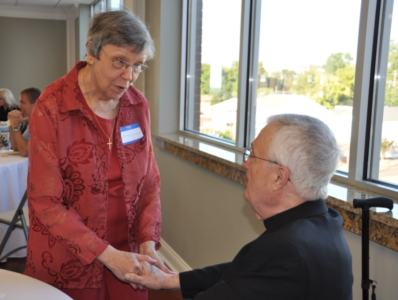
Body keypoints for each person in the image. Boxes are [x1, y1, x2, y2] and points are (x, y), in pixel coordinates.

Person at [125, 114, 354, 300]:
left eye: (253, 155)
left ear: (279, 177)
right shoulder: (324, 221)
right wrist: (171, 280)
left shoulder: (285, 249)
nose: (245, 163)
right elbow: (246, 270)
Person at [24, 9, 170, 300]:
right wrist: (107, 255)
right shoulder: (52, 106)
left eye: (138, 65)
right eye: (120, 61)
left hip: (127, 256)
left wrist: (146, 241)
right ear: (91, 51)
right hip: (68, 258)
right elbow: (46, 202)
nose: (130, 77)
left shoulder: (137, 106)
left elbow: (149, 182)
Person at [8, 87, 41, 157]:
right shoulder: (33, 120)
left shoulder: (42, 122)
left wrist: (15, 125)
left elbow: (24, 152)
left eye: (23, 102)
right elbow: (17, 147)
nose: (19, 106)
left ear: (36, 104)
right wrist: (11, 124)